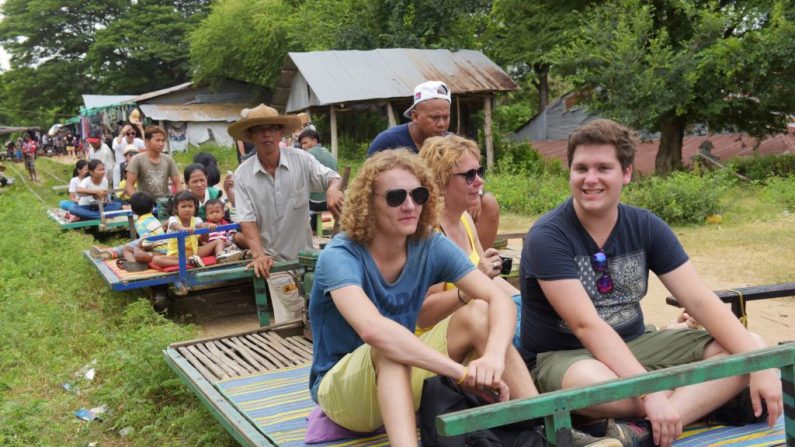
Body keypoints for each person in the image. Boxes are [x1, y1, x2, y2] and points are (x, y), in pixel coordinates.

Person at [308, 150, 618, 447]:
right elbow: (373, 330)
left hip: (400, 379)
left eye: (418, 195)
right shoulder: (341, 254)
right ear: (368, 204)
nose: (410, 205)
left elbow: (497, 298)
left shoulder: (428, 243)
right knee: (390, 345)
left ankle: (541, 428)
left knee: (479, 311)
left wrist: (493, 356)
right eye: (395, 197)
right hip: (343, 393)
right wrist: (460, 373)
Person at [519, 119, 783, 447]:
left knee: (751, 343)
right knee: (596, 387)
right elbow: (585, 325)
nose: (590, 179)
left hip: (636, 342)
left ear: (626, 173)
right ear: (570, 172)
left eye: (603, 168)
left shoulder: (646, 226)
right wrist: (649, 390)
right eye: (581, 168)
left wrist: (761, 366)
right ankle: (692, 402)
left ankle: (637, 433)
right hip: (566, 356)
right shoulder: (549, 236)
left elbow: (698, 299)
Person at [228, 103, 343, 323]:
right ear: (250, 136)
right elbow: (247, 219)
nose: (267, 133)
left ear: (281, 132)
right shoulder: (243, 174)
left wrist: (332, 190)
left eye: (272, 128)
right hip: (274, 260)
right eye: (260, 129)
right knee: (291, 315)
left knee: (317, 313)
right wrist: (258, 254)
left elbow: (332, 177)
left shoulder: (301, 159)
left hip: (306, 256)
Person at [367, 80, 501, 249]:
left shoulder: (451, 144)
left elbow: (471, 174)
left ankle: (477, 260)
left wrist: (476, 196)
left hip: (446, 206)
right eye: (435, 118)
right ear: (415, 116)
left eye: (446, 117)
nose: (442, 124)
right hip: (407, 206)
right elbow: (368, 185)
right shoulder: (388, 141)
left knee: (488, 203)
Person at [418, 135, 523, 345]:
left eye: (479, 171)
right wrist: (476, 283)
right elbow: (424, 315)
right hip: (439, 337)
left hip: (475, 319)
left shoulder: (464, 220)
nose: (479, 180)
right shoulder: (428, 234)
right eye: (469, 175)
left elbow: (485, 281)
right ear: (440, 181)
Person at [152, 190, 225, 269]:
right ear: (176, 209)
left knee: (219, 241)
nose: (187, 209)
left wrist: (209, 225)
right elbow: (175, 225)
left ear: (195, 207)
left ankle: (221, 257)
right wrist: (183, 228)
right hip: (177, 255)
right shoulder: (173, 219)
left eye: (190, 206)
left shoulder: (196, 219)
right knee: (156, 259)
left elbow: (202, 225)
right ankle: (188, 262)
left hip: (195, 253)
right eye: (183, 206)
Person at [298, 128, 337, 233]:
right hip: (332, 201)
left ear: (315, 141)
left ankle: (309, 231)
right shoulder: (329, 153)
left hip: (317, 203)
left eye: (305, 143)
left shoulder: (307, 155)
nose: (303, 146)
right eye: (302, 144)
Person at [125, 126, 181, 198]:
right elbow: (129, 185)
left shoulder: (168, 159)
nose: (161, 144)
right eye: (157, 140)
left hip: (164, 203)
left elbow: (178, 183)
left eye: (162, 140)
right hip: (144, 204)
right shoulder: (137, 159)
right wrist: (137, 201)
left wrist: (180, 200)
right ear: (147, 141)